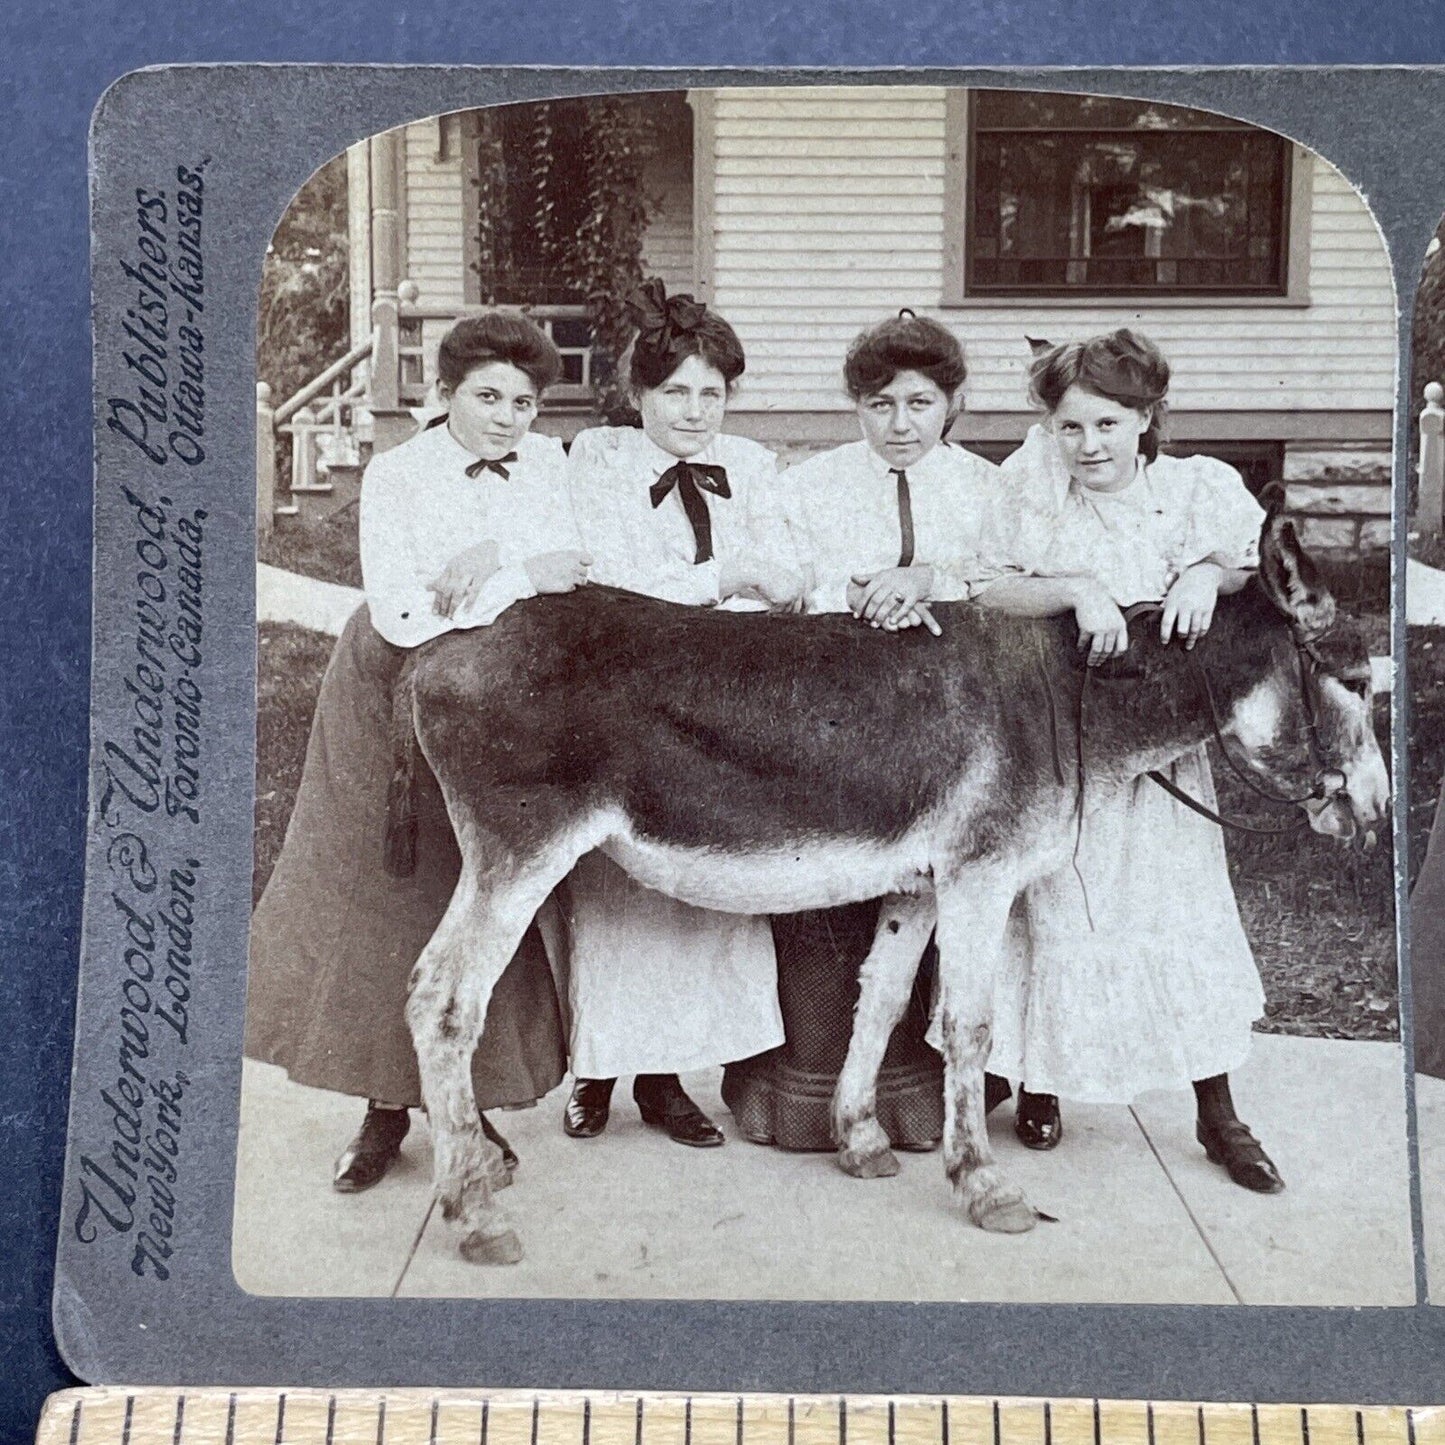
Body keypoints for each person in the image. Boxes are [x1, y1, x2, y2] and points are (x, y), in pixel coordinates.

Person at [244, 313, 590, 1193]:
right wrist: (515, 573)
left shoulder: (549, 463)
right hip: (392, 700)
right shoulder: (399, 474)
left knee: (483, 895)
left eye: (524, 400)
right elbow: (403, 610)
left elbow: (572, 567)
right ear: (443, 395)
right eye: (488, 398)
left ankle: (461, 1108)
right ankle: (380, 1111)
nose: (509, 417)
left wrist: (491, 555)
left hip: (506, 701)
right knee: (391, 892)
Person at [974, 326, 1283, 1191]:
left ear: (1147, 419)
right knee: (1056, 911)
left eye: (1108, 425)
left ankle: (1217, 1109)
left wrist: (1204, 575)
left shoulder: (1191, 491)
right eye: (1070, 428)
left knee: (1177, 913)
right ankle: (1040, 1081)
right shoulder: (1034, 493)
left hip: (1164, 755)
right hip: (1062, 747)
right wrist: (1074, 589)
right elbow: (986, 581)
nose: (1088, 446)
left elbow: (1249, 560)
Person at [723, 310, 1014, 1152]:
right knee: (831, 893)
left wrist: (932, 579)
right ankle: (809, 1087)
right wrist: (848, 595)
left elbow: (1008, 581)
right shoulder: (808, 486)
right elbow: (777, 587)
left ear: (950, 405)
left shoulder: (985, 489)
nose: (900, 424)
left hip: (950, 728)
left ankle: (917, 1090)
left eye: (920, 404)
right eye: (880, 404)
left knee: (936, 896)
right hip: (835, 722)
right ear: (855, 406)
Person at [557, 278, 802, 1148]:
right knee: (621, 878)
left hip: (727, 702)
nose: (695, 413)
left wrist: (753, 584)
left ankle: (668, 1079)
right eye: (675, 393)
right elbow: (610, 583)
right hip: (629, 695)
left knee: (707, 882)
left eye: (712, 393)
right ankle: (596, 1069)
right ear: (638, 395)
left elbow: (788, 576)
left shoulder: (758, 468)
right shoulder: (597, 461)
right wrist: (723, 580)